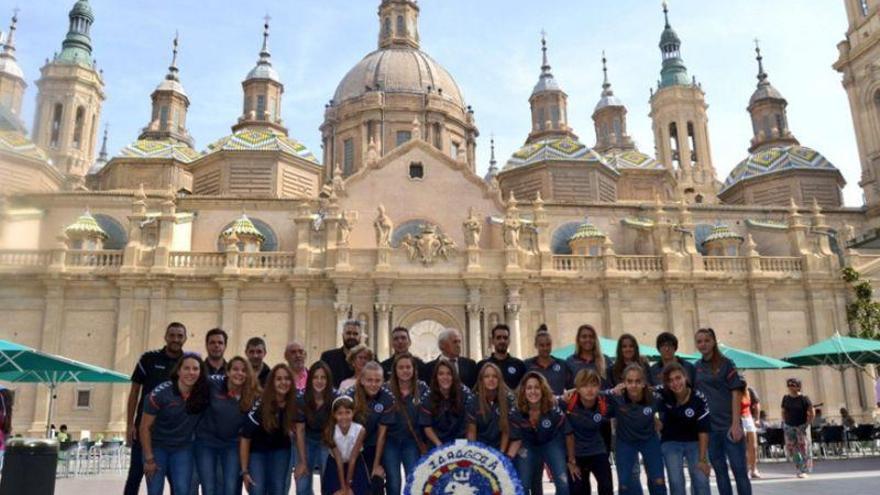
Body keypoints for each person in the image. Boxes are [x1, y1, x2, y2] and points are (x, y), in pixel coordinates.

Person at [124, 322, 187, 495]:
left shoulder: (187, 363)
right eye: (172, 335)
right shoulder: (149, 359)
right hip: (144, 428)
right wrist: (130, 425)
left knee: (176, 481)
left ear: (185, 338)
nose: (175, 339)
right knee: (135, 476)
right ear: (166, 337)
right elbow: (134, 392)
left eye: (179, 336)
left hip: (173, 433)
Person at [140, 353, 210, 495]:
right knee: (155, 490)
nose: (191, 372)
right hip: (157, 447)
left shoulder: (203, 393)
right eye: (186, 368)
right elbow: (144, 427)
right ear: (178, 370)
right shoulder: (159, 394)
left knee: (182, 490)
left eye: (195, 369)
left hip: (182, 448)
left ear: (200, 372)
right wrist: (149, 458)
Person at [693, 328, 751, 495]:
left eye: (706, 340)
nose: (703, 344)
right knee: (720, 473)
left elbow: (736, 392)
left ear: (713, 342)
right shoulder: (696, 368)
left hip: (729, 427)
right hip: (710, 430)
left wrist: (735, 424)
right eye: (699, 341)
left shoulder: (726, 364)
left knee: (740, 471)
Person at [196, 356, 259, 495]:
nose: (239, 373)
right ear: (228, 372)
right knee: (209, 488)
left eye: (243, 370)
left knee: (230, 488)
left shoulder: (252, 393)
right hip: (207, 442)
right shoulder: (214, 383)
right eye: (235, 369)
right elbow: (196, 379)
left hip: (232, 444)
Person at [606, 364, 666, 495]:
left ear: (644, 383)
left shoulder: (654, 397)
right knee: (624, 484)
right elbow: (592, 394)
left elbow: (672, 400)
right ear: (624, 383)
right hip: (625, 441)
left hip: (649, 440)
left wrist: (660, 420)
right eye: (630, 381)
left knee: (658, 480)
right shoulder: (616, 397)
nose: (634, 385)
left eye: (638, 381)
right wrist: (612, 391)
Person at [240, 364, 298, 495]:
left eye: (287, 378)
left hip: (281, 452)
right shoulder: (260, 404)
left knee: (278, 490)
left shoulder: (294, 402)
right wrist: (244, 470)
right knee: (257, 489)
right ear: (271, 382)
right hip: (257, 452)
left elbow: (300, 430)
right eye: (279, 379)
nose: (283, 382)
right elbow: (245, 437)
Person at [513, 371, 572, 495]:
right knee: (522, 484)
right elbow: (515, 439)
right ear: (523, 390)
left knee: (563, 484)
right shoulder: (516, 410)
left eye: (536, 387)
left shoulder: (553, 409)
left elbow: (568, 433)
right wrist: (506, 459)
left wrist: (571, 460)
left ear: (543, 389)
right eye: (529, 388)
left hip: (551, 442)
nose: (533, 391)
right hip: (527, 444)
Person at [658, 362, 711, 495]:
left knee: (701, 479)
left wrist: (703, 459)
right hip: (671, 442)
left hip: (695, 442)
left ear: (685, 377)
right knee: (676, 482)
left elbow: (704, 430)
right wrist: (654, 420)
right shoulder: (663, 393)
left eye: (678, 378)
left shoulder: (698, 398)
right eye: (670, 380)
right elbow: (643, 392)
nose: (675, 383)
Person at [345, 361, 394, 493]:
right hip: (351, 446)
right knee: (356, 484)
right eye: (369, 380)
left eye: (377, 380)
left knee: (376, 480)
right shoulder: (349, 397)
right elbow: (344, 430)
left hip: (374, 446)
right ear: (361, 380)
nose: (373, 384)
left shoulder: (387, 398)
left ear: (383, 380)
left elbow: (381, 434)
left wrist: (376, 464)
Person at [385, 353, 429, 495]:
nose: (405, 370)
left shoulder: (422, 388)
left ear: (414, 369)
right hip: (390, 441)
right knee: (393, 481)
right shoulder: (386, 388)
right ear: (395, 370)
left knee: (413, 479)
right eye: (401, 367)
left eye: (408, 367)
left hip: (412, 441)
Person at [564, 369, 613, 495]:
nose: (590, 390)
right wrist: (569, 461)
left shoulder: (604, 403)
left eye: (593, 385)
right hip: (576, 454)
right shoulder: (567, 403)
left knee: (607, 487)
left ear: (599, 387)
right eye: (585, 386)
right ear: (577, 389)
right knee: (579, 490)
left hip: (597, 450)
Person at [294, 361, 337, 495]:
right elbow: (300, 431)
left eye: (323, 377)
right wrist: (302, 461)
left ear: (328, 380)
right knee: (302, 484)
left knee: (329, 483)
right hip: (306, 441)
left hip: (327, 442)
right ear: (310, 379)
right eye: (315, 377)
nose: (319, 381)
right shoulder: (301, 399)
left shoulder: (335, 397)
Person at [467, 362, 520, 456]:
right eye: (486, 376)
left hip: (500, 448)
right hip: (479, 450)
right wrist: (474, 454)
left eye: (495, 376)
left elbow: (506, 431)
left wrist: (501, 454)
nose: (491, 379)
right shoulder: (473, 401)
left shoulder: (508, 400)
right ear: (481, 380)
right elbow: (471, 433)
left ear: (499, 379)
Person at [320, 396, 370, 495]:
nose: (344, 417)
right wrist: (343, 487)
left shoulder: (360, 430)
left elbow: (353, 459)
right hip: (335, 464)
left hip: (355, 463)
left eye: (347, 412)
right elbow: (338, 460)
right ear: (334, 415)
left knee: (356, 491)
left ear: (353, 413)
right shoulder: (330, 431)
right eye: (340, 413)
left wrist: (348, 486)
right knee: (336, 492)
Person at [421, 358, 474, 446]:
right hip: (437, 443)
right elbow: (427, 426)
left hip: (460, 442)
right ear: (436, 377)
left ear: (454, 376)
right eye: (441, 374)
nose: (445, 377)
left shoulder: (465, 394)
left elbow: (469, 424)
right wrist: (439, 445)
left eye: (449, 374)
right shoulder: (427, 397)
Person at [781, 377, 814, 478]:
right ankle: (799, 468)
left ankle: (804, 469)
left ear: (798, 386)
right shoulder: (785, 398)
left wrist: (807, 424)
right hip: (789, 426)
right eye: (789, 385)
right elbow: (783, 411)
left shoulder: (804, 398)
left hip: (801, 426)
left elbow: (812, 412)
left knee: (804, 448)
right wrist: (784, 422)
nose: (790, 387)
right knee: (793, 449)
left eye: (793, 385)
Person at [477, 324, 527, 390]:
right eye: (498, 337)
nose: (502, 341)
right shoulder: (482, 365)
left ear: (509, 341)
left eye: (505, 338)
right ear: (492, 341)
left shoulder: (519, 365)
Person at [524, 326, 570, 395]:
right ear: (536, 345)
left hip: (557, 405)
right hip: (535, 405)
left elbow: (570, 387)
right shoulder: (527, 365)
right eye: (542, 345)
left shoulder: (562, 364)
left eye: (548, 345)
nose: (545, 348)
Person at [320, 319, 363, 388]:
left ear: (360, 337)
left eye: (355, 334)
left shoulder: (369, 359)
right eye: (348, 333)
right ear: (343, 335)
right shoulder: (328, 357)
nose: (351, 336)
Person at [565, 324, 607, 388]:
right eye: (584, 337)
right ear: (578, 340)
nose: (588, 339)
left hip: (602, 398)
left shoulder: (605, 360)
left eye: (591, 337)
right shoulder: (570, 361)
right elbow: (568, 387)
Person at [742, 384, 761, 479]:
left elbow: (756, 404)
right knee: (743, 447)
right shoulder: (731, 390)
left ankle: (754, 469)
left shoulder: (750, 391)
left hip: (748, 418)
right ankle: (746, 469)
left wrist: (757, 419)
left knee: (753, 446)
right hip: (738, 419)